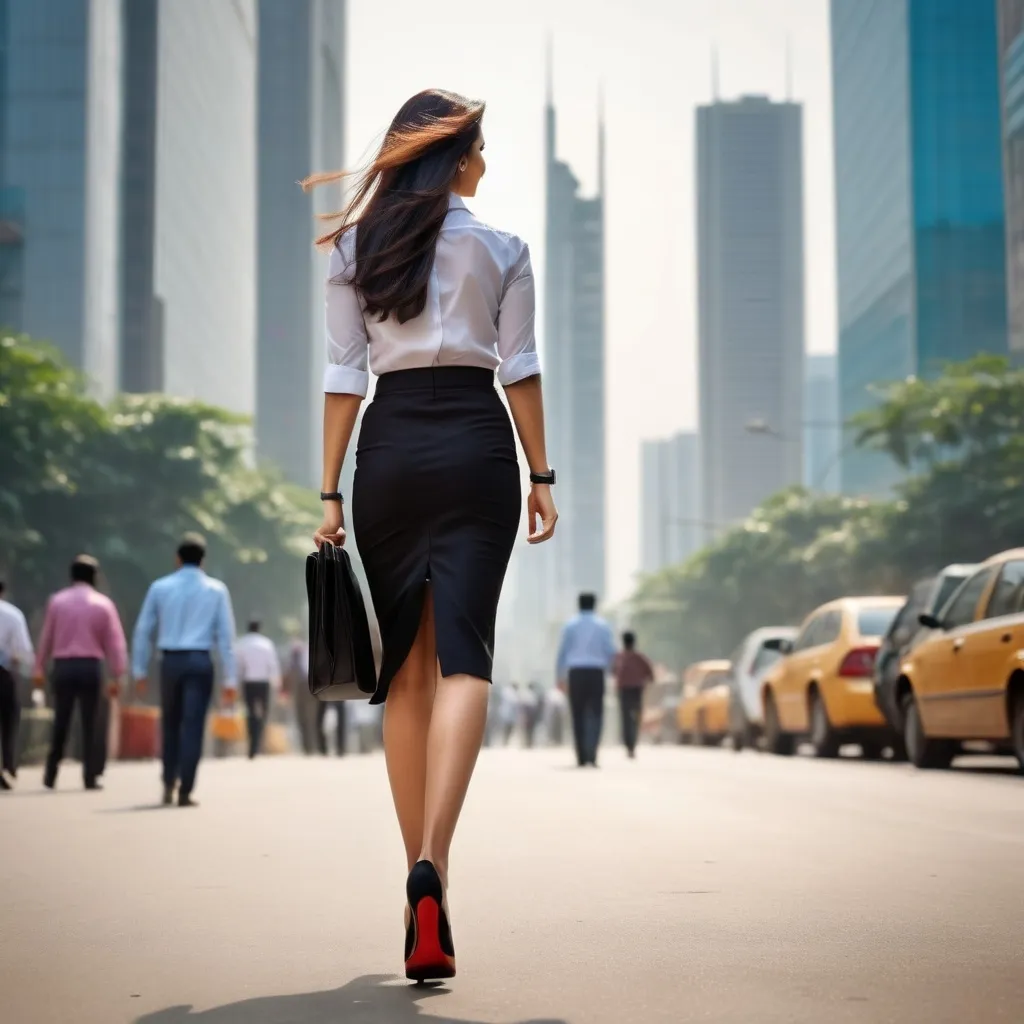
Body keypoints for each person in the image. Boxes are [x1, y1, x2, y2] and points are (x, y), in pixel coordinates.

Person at [306, 88, 557, 982]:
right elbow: (520, 367)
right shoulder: (504, 249)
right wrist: (541, 474)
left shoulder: (354, 251)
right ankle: (434, 868)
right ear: (456, 160)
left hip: (392, 449)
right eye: (480, 152)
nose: (485, 167)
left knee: (405, 664)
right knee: (466, 657)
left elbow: (346, 376)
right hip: (479, 446)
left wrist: (330, 492)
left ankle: (415, 871)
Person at [132, 533, 237, 807]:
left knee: (171, 723)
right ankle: (185, 790)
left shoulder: (159, 587)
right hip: (200, 662)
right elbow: (226, 639)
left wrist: (139, 671)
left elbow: (143, 631)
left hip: (170, 663)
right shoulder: (216, 590)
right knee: (193, 725)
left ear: (177, 559)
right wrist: (231, 679)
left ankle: (168, 780)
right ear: (203, 561)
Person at [33, 556, 127, 791]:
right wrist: (118, 673)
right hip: (90, 667)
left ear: (71, 576)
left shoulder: (57, 602)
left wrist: (39, 667)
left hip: (63, 667)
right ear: (94, 577)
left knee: (61, 721)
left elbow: (47, 637)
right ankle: (90, 775)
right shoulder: (103, 604)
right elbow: (115, 643)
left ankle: (50, 773)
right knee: (90, 723)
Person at [556, 593, 617, 768]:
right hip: (597, 673)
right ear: (594, 605)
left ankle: (581, 757)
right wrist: (611, 672)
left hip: (576, 673)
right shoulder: (603, 625)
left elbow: (563, 653)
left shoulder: (570, 625)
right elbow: (610, 652)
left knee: (577, 715)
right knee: (596, 714)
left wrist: (560, 677)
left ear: (579, 605)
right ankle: (592, 755)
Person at [0, 580, 34, 790]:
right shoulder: (12, 615)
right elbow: (22, 650)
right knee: (8, 721)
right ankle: (7, 764)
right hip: (3, 674)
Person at [235, 619, 282, 759]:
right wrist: (277, 684)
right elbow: (273, 665)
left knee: (249, 713)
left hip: (248, 682)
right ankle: (258, 740)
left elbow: (238, 666)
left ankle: (252, 742)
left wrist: (236, 684)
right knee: (263, 713)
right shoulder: (266, 644)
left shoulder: (241, 644)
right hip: (263, 683)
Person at [613, 631, 655, 759]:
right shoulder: (639, 657)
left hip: (624, 690)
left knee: (626, 718)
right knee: (635, 718)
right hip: (636, 690)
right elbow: (650, 674)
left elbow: (614, 671)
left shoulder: (620, 657)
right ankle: (632, 744)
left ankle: (629, 744)